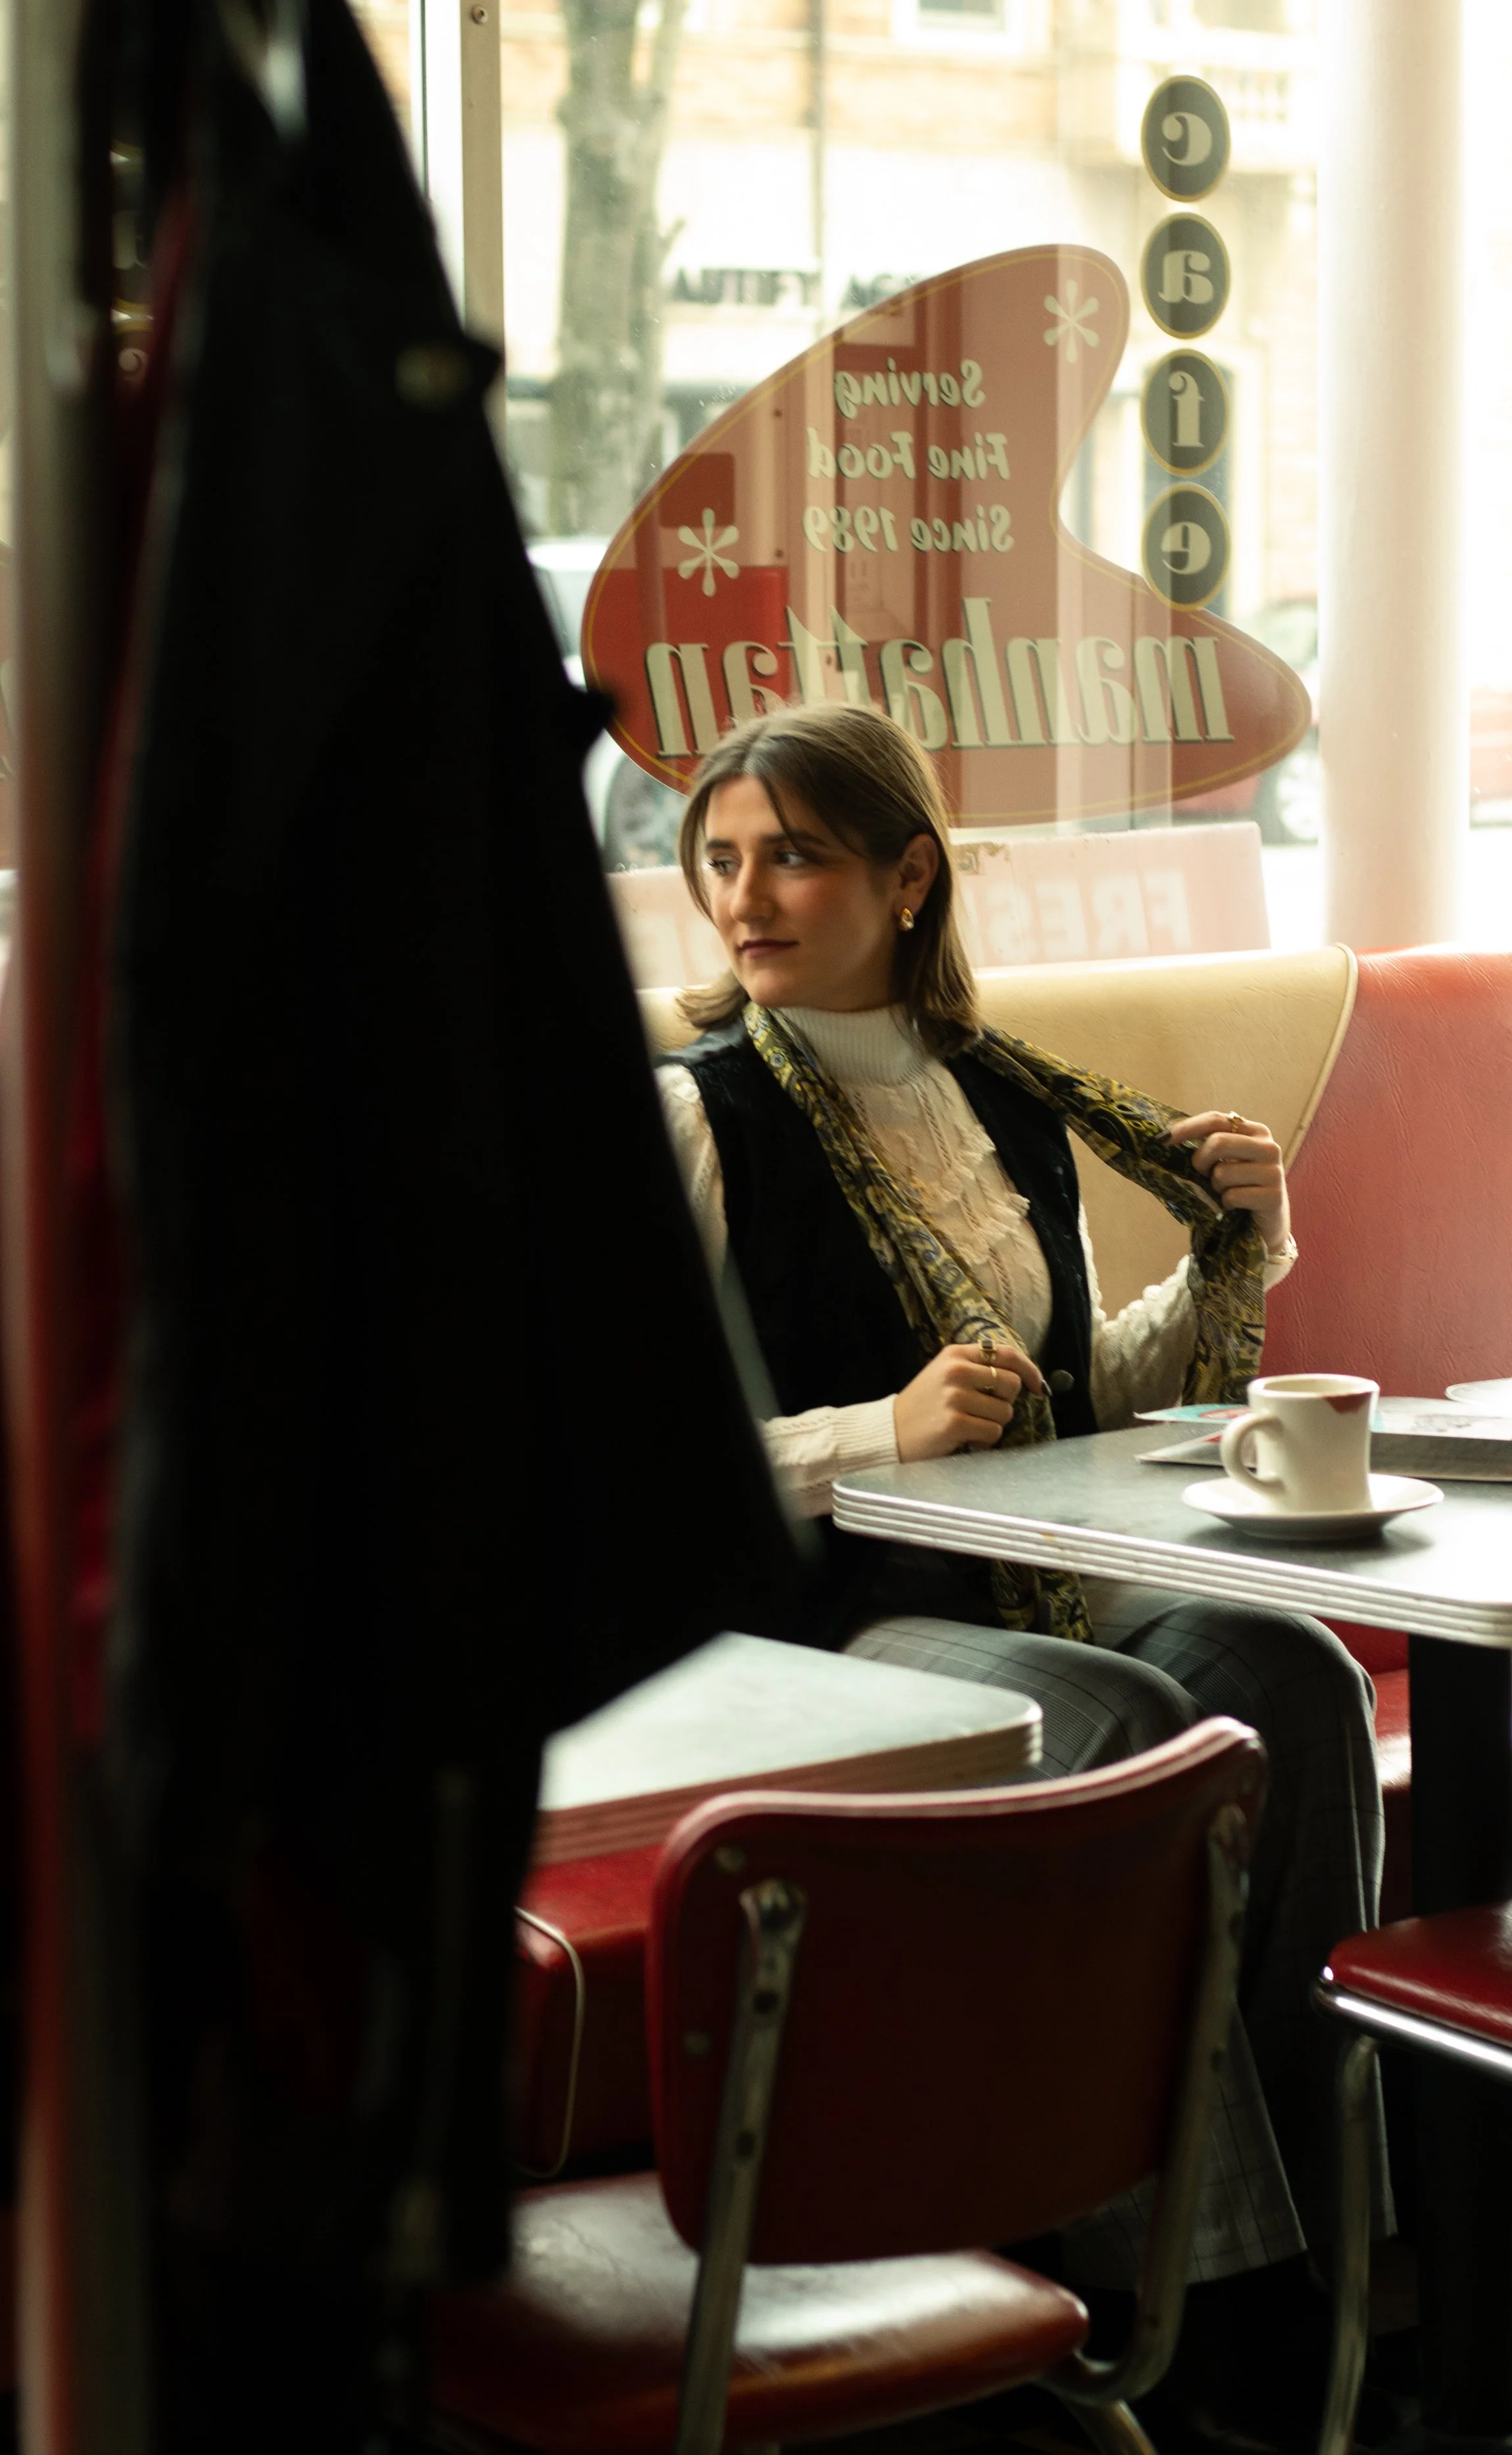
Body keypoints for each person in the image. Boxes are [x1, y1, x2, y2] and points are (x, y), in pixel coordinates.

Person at [656, 700, 1388, 2455]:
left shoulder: (1006, 1098)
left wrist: (1243, 1238)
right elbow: (627, 1470)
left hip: (1012, 1576)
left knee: (1293, 1672)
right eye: (722, 860)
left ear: (909, 878)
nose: (747, 898)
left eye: (795, 856)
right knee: (1122, 1711)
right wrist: (876, 1432)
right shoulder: (698, 1120)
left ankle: (1327, 2273)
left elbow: (1083, 1398)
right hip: (819, 1611)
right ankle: (1181, 2321)